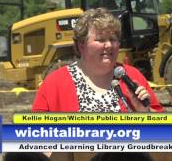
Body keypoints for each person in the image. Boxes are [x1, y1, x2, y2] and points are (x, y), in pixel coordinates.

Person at [32, 8, 164, 113]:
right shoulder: (54, 83)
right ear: (81, 45)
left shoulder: (132, 76)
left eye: (113, 39)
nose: (109, 45)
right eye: (100, 40)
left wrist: (145, 113)